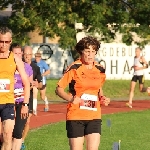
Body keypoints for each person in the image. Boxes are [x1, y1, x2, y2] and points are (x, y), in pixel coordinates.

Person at [55, 36, 110, 150]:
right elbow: (58, 89)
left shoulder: (100, 69)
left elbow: (98, 87)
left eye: (93, 51)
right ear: (81, 52)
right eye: (87, 51)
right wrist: (70, 99)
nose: (90, 55)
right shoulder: (74, 68)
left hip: (94, 116)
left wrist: (102, 97)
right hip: (76, 116)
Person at [0, 27, 30, 150]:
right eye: (1, 41)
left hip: (8, 103)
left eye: (6, 42)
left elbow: (26, 83)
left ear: (11, 41)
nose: (3, 45)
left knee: (8, 135)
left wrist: (26, 104)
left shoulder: (15, 59)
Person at [10, 43, 33, 150]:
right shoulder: (7, 66)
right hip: (8, 101)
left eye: (20, 53)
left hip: (22, 101)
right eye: (16, 53)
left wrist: (26, 103)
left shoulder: (27, 67)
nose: (18, 55)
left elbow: (30, 83)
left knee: (18, 131)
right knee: (6, 132)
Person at [21, 46, 42, 150]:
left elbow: (41, 84)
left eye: (29, 54)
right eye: (25, 54)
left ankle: (22, 141)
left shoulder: (35, 67)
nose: (27, 56)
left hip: (29, 96)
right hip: (18, 95)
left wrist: (37, 84)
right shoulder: (18, 64)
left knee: (27, 121)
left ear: (32, 55)